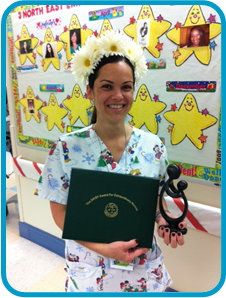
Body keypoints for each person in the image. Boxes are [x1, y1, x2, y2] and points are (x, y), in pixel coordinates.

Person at [35, 31, 187, 292]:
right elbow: (61, 215)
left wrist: (164, 220)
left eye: (126, 87)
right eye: (107, 86)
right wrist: (105, 249)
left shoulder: (153, 146)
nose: (118, 95)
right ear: (89, 91)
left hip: (143, 272)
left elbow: (153, 203)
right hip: (90, 272)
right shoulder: (66, 148)